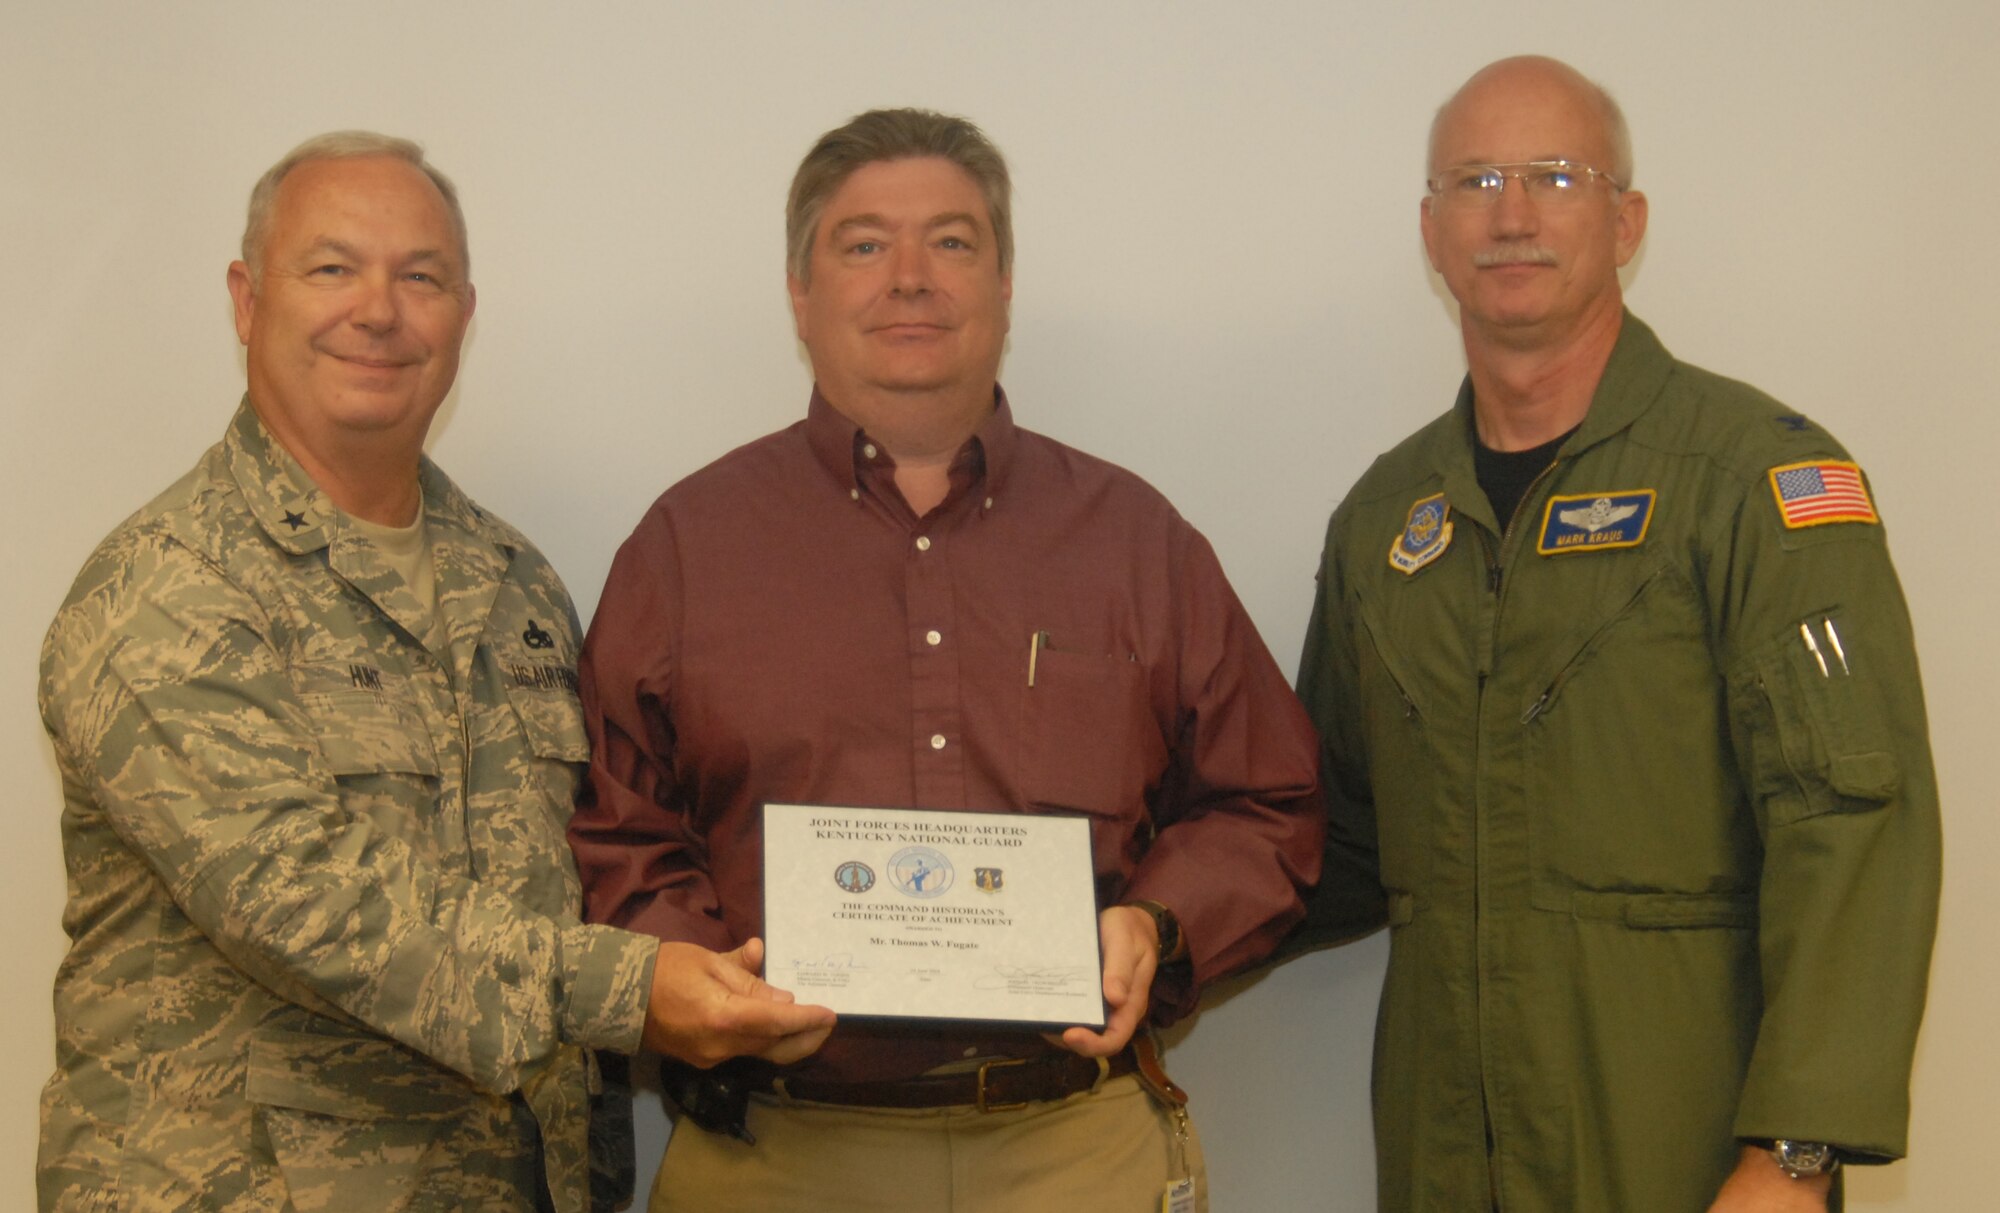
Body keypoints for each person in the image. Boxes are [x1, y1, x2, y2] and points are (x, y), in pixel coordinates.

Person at [35, 131, 832, 1213]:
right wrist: (635, 989)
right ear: (245, 298)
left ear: (463, 311)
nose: (378, 309)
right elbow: (303, 898)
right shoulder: (168, 588)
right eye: (332, 268)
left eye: (421, 277)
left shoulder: (514, 586)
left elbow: (601, 846)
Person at [572, 107, 1322, 1213]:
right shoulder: (686, 547)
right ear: (799, 291)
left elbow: (1269, 800)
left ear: (1005, 284)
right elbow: (616, 826)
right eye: (864, 244)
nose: (910, 278)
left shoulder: (1134, 539)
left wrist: (1154, 925)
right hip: (775, 1158)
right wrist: (692, 978)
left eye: (953, 242)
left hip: (1075, 1150)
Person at [1288, 55, 1942, 1213]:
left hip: (1684, 1152)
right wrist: (1134, 930)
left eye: (1555, 174)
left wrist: (1795, 1150)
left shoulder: (1756, 480)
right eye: (1474, 180)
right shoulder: (1387, 520)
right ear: (1430, 233)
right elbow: (1323, 834)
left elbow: (1850, 825)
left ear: (1625, 220)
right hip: (1445, 1157)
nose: (1512, 213)